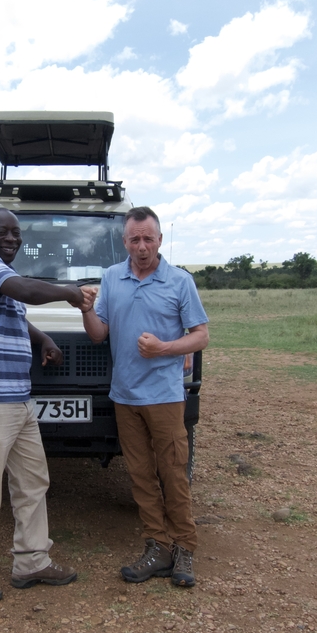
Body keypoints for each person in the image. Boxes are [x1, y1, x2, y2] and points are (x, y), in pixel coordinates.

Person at [0, 207, 96, 602]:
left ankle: (31, 560)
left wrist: (42, 338)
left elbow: (14, 311)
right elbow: (26, 292)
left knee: (32, 482)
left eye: (16, 233)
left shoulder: (0, 277)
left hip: (16, 400)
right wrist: (70, 292)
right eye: (2, 232)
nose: (11, 238)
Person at [80, 206, 209, 587]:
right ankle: (158, 546)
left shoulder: (180, 281)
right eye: (134, 239)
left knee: (172, 472)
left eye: (148, 238)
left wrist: (165, 348)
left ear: (160, 240)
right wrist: (87, 310)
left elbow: (201, 335)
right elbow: (98, 334)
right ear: (124, 241)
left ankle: (185, 547)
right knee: (140, 476)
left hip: (165, 396)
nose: (141, 246)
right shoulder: (111, 278)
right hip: (125, 396)